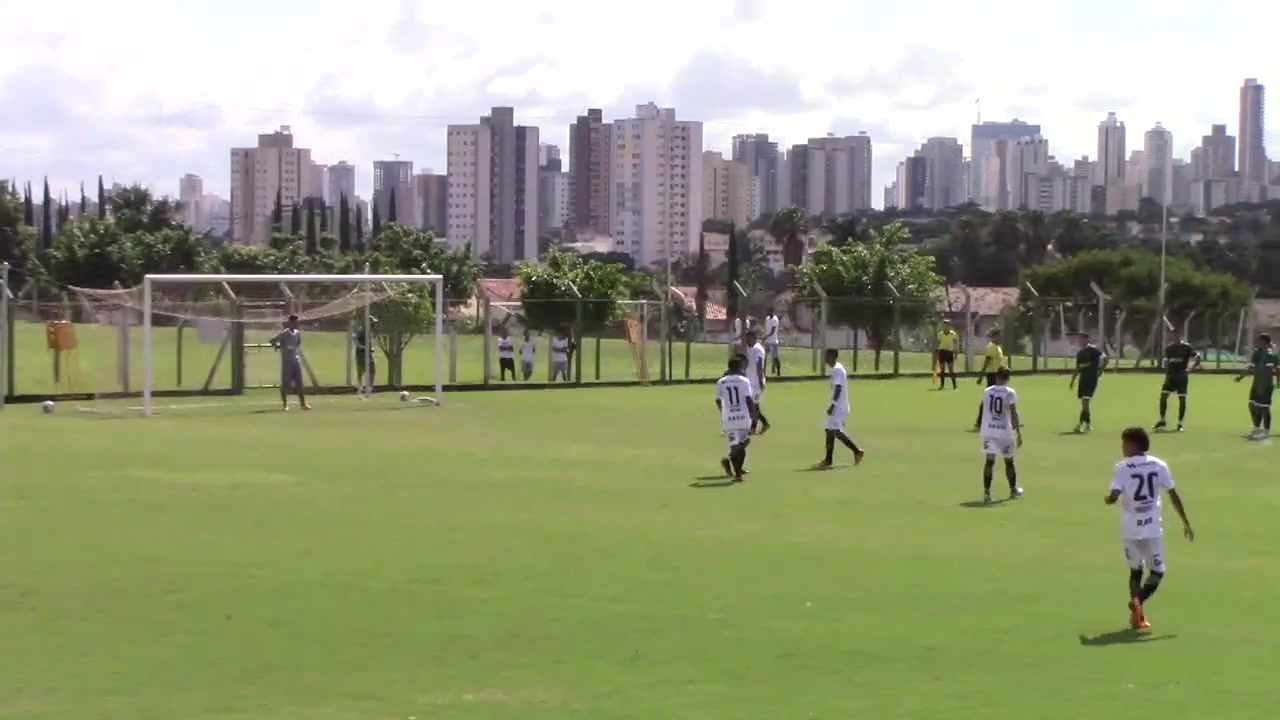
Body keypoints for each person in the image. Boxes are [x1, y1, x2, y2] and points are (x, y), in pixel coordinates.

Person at [1104, 427, 1194, 630]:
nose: (1122, 447)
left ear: (1134, 445)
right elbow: (1172, 494)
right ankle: (1139, 602)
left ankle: (1137, 613)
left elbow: (1114, 495)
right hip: (1152, 528)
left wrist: (1108, 499)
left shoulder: (1122, 467)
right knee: (1157, 571)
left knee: (1135, 571)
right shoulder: (1159, 465)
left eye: (1124, 443)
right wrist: (1185, 522)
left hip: (1130, 529)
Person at [813, 348, 864, 469]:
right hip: (839, 406)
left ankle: (857, 451)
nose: (825, 359)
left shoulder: (837, 370)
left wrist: (833, 404)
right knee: (830, 430)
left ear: (832, 356)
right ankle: (828, 460)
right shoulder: (838, 368)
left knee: (834, 431)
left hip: (839, 407)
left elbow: (838, 389)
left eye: (827, 356)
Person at [978, 367, 1023, 504]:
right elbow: (1013, 413)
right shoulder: (1009, 393)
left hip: (989, 431)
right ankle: (1013, 489)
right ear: (1008, 378)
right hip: (1003, 431)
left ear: (997, 377)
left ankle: (987, 493)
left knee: (989, 462)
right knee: (1009, 461)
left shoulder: (987, 391)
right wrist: (1018, 433)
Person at [715, 355, 757, 483]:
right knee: (741, 446)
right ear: (740, 367)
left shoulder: (721, 382)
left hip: (729, 418)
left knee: (736, 446)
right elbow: (749, 400)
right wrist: (754, 417)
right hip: (743, 417)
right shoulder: (744, 381)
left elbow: (718, 400)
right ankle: (737, 472)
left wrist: (723, 412)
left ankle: (735, 467)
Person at [1234, 333, 1279, 439]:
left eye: (1259, 341)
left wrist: (1278, 382)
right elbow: (1251, 368)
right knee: (1252, 406)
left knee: (1264, 408)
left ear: (1265, 342)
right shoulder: (1256, 353)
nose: (1257, 342)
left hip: (1266, 385)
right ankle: (1256, 428)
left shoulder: (1270, 354)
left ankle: (1266, 431)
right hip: (1256, 384)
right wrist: (1241, 377)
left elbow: (1276, 370)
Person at [1155, 328, 1200, 432]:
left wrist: (1190, 369)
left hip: (1181, 377)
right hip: (1171, 376)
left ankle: (1180, 423)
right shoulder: (1169, 348)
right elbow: (1167, 361)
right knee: (1163, 397)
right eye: (1173, 335)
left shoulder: (1186, 347)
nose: (1175, 337)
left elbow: (1197, 357)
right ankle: (1162, 420)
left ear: (1181, 335)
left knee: (1182, 399)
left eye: (1177, 335)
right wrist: (1167, 373)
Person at [1069, 331, 1108, 433]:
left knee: (1085, 401)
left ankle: (1082, 424)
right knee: (1084, 403)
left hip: (1091, 380)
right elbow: (1078, 368)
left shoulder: (1092, 350)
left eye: (1081, 339)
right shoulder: (1080, 353)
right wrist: (1073, 380)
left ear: (1086, 339)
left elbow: (1105, 358)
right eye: (1079, 339)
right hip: (1083, 380)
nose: (1079, 341)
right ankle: (1088, 423)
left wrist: (1100, 370)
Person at [269, 314, 310, 411]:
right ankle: (285, 405)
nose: (297, 324)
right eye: (295, 322)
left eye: (297, 322)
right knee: (285, 383)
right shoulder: (285, 333)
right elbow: (272, 340)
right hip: (287, 362)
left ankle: (303, 404)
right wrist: (278, 346)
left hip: (296, 361)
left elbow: (298, 343)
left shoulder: (297, 333)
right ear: (290, 322)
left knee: (299, 383)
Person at [972, 328, 1006, 430]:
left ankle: (1001, 420)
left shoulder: (997, 347)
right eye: (998, 335)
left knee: (998, 397)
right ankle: (979, 422)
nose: (1000, 337)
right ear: (994, 336)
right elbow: (987, 362)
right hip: (992, 375)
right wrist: (981, 376)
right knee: (989, 398)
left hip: (998, 374)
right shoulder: (991, 347)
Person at [744, 330, 772, 435]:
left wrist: (760, 381)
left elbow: (759, 365)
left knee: (753, 406)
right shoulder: (752, 349)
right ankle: (762, 425)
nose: (746, 341)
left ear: (753, 338)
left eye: (748, 338)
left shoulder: (757, 349)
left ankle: (755, 427)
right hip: (752, 382)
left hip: (756, 383)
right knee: (753, 406)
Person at [353, 321, 375, 397]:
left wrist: (371, 348)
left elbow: (369, 342)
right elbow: (355, 338)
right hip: (361, 353)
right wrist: (362, 347)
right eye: (372, 323)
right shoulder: (361, 331)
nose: (373, 325)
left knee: (372, 370)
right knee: (361, 371)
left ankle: (369, 388)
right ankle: (360, 387)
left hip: (368, 353)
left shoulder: (369, 332)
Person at [935, 320, 959, 390]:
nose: (946, 326)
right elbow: (938, 344)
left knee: (951, 370)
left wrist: (956, 353)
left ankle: (955, 386)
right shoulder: (940, 334)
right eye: (945, 325)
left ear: (950, 326)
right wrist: (937, 353)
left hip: (949, 352)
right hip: (942, 352)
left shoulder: (953, 334)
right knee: (942, 370)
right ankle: (942, 385)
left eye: (947, 325)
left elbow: (955, 344)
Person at [763, 308, 782, 376]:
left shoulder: (775, 319)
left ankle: (778, 371)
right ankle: (763, 372)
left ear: (773, 312)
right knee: (764, 357)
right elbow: (767, 329)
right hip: (767, 341)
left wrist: (765, 336)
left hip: (773, 341)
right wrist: (765, 337)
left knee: (775, 357)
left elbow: (772, 331)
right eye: (768, 311)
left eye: (770, 311)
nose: (769, 312)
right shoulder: (767, 318)